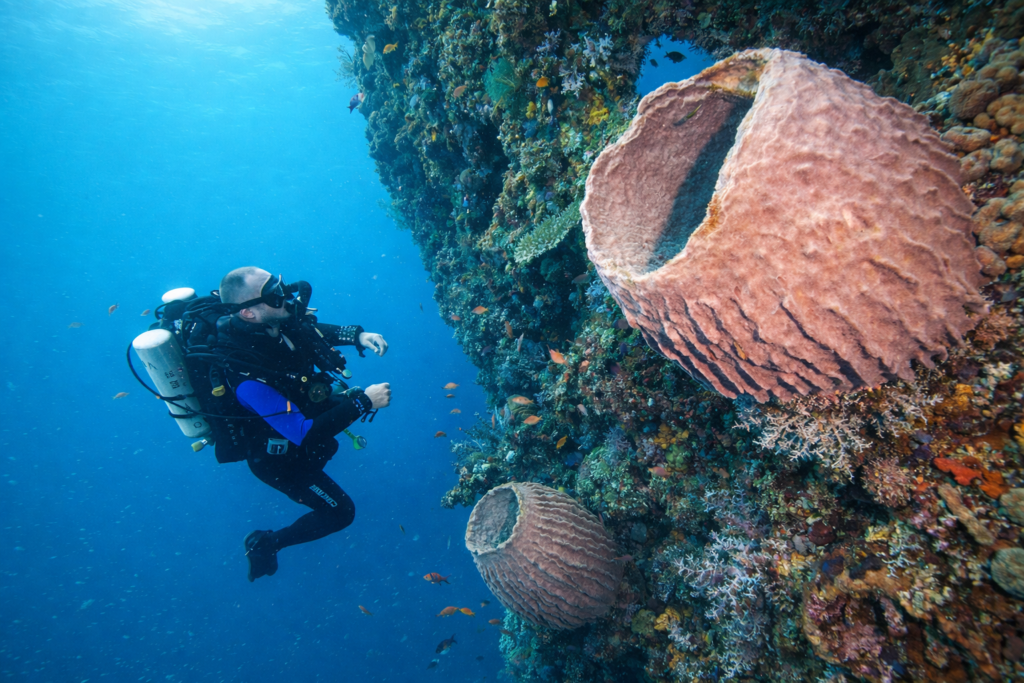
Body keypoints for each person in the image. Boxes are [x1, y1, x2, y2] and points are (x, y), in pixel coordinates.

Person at [215, 266, 391, 582]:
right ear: (249, 313)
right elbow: (303, 434)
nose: (286, 296)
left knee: (330, 439)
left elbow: (308, 330)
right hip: (281, 462)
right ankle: (266, 544)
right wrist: (365, 401)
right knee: (341, 512)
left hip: (304, 425)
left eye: (280, 285)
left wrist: (358, 336)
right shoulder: (246, 377)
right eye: (273, 293)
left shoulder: (275, 322)